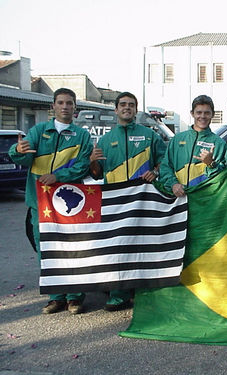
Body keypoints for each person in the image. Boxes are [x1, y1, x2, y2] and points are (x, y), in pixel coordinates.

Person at [8, 88, 93, 315]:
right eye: (61, 103)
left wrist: (58, 177)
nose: (65, 107)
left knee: (73, 250)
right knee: (46, 250)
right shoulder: (37, 131)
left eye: (69, 103)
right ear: (53, 107)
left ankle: (75, 298)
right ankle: (56, 297)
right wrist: (16, 150)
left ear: (75, 109)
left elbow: (83, 165)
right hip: (40, 205)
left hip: (71, 205)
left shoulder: (81, 136)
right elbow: (24, 156)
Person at [89, 91, 166, 311]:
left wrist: (155, 171)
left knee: (144, 246)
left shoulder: (149, 135)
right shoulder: (105, 139)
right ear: (116, 109)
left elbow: (164, 161)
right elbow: (96, 173)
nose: (127, 108)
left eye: (131, 105)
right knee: (117, 248)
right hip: (115, 202)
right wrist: (92, 161)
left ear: (136, 109)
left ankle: (144, 293)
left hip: (143, 201)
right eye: (123, 104)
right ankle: (118, 294)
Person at [159, 95, 227, 197]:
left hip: (205, 201)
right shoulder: (178, 139)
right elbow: (165, 166)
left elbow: (226, 176)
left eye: (207, 113)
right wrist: (173, 184)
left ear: (213, 114)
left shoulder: (220, 144)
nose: (203, 116)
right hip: (178, 200)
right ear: (192, 113)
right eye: (199, 112)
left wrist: (211, 164)